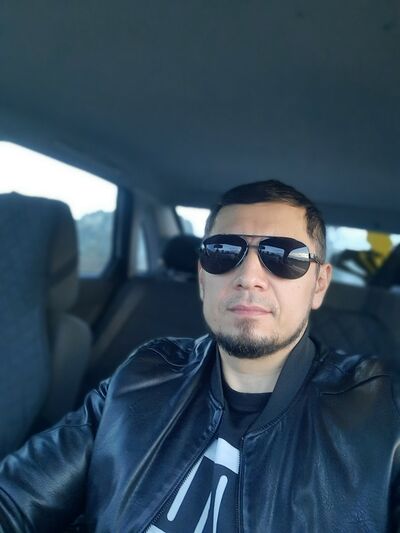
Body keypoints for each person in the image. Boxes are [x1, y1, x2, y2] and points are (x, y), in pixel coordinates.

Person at [0, 180, 399, 532]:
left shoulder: (384, 414)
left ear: (319, 284)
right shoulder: (145, 372)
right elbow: (17, 497)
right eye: (223, 252)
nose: (249, 277)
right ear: (204, 278)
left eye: (283, 255)